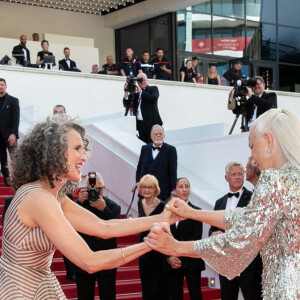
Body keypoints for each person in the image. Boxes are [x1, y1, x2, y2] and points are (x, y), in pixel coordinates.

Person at [0, 115, 178, 299]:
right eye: (77, 148)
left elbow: (104, 227)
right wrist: (150, 245)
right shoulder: (39, 198)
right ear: (53, 152)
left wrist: (163, 218)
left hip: (38, 285)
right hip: (20, 290)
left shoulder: (54, 196)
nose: (84, 157)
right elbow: (89, 261)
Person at [146, 108, 300, 299]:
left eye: (252, 145)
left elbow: (239, 240)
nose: (252, 158)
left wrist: (176, 247)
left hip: (285, 290)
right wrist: (192, 213)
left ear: (268, 140)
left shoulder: (274, 179)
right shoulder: (293, 178)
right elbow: (246, 216)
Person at [208, 162, 262, 300]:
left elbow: (255, 229)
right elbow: (212, 228)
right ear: (226, 177)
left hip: (248, 264)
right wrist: (214, 233)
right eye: (233, 174)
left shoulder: (254, 198)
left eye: (240, 174)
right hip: (226, 263)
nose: (237, 177)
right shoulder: (219, 202)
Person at [70, 173, 121, 300]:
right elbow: (70, 222)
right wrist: (79, 203)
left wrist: (104, 210)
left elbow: (117, 228)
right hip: (85, 258)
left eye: (98, 189)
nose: (95, 193)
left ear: (104, 189)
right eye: (91, 189)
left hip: (107, 259)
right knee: (84, 295)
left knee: (108, 295)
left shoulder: (113, 207)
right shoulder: (78, 206)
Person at [164, 177, 205, 300]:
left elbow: (195, 238)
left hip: (192, 262)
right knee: (175, 295)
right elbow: (164, 236)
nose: (184, 189)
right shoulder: (167, 212)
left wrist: (178, 257)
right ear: (175, 191)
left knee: (195, 294)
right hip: (172, 262)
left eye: (187, 186)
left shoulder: (197, 211)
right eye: (181, 187)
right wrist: (170, 258)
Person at [137, 175, 168, 300]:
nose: (146, 190)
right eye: (144, 187)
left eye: (150, 187)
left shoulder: (162, 206)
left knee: (159, 286)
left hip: (159, 249)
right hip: (143, 248)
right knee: (146, 285)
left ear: (155, 189)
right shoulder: (140, 203)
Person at [134, 125, 177, 201]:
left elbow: (173, 172)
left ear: (164, 136)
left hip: (162, 194)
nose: (158, 135)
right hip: (144, 193)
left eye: (160, 133)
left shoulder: (171, 150)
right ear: (151, 136)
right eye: (156, 134)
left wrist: (173, 190)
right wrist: (138, 183)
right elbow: (139, 168)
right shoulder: (145, 148)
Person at [123, 73, 163, 144]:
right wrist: (126, 91)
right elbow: (126, 104)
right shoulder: (136, 94)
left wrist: (141, 92)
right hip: (141, 126)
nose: (142, 82)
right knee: (143, 147)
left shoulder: (153, 89)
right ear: (137, 82)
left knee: (152, 145)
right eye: (140, 80)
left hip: (152, 125)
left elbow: (153, 98)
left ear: (147, 80)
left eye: (144, 80)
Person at [0, 78, 20, 187]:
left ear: (5, 86)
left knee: (15, 158)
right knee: (2, 160)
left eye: (2, 85)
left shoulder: (13, 100)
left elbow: (16, 119)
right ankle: (6, 181)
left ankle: (19, 179)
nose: (0, 87)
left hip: (9, 135)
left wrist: (14, 134)